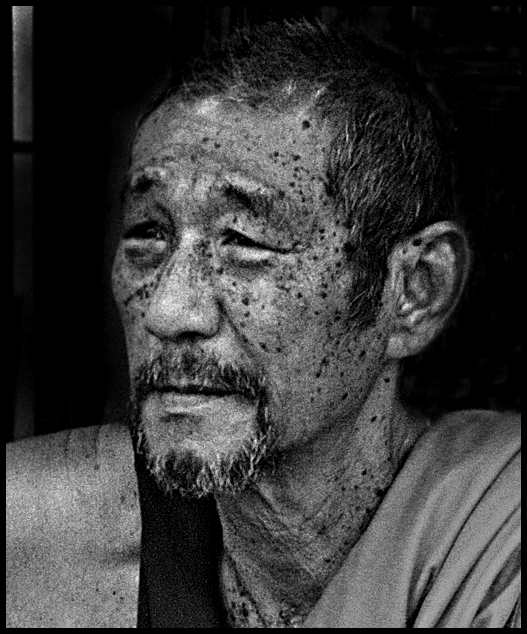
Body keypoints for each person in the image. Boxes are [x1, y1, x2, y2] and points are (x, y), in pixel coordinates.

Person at [6, 19, 520, 628]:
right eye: (149, 234)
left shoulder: (498, 533)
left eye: (245, 243)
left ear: (414, 291)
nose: (170, 311)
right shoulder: (45, 529)